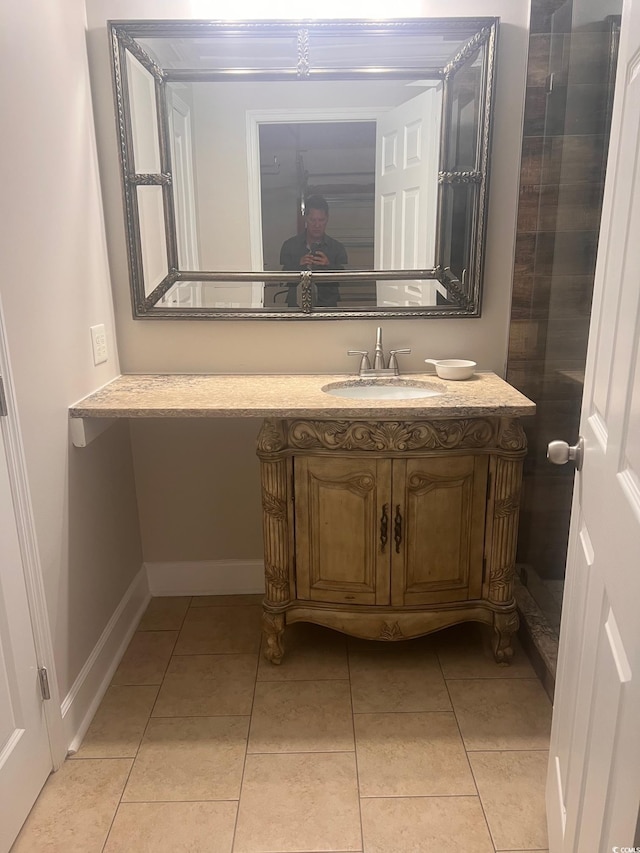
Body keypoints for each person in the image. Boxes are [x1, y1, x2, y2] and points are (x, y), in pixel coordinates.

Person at [279, 195, 347, 308]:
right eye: (312, 220)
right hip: (296, 308)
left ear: (327, 219)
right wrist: (298, 265)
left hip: (328, 308)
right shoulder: (289, 246)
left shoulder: (337, 248)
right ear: (305, 218)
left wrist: (328, 266)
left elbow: (345, 281)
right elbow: (281, 280)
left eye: (321, 220)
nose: (317, 225)